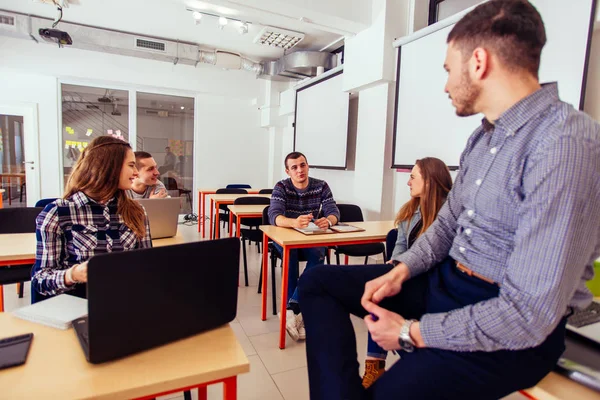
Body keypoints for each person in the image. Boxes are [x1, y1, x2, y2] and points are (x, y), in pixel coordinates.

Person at [298, 1, 600, 399]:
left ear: (478, 62)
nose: (445, 85)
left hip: (511, 330)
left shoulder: (565, 144)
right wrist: (402, 268)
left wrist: (409, 332)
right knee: (318, 282)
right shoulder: (483, 137)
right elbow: (447, 223)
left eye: (447, 70)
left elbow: (528, 314)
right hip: (448, 282)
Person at [362, 157, 452, 388]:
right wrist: (395, 264)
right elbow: (400, 244)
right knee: (382, 293)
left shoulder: (449, 214)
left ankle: (392, 362)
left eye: (412, 177)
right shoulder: (410, 210)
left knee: (386, 298)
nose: (408, 183)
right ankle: (375, 366)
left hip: (435, 281)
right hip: (409, 275)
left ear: (429, 182)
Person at [31, 136, 152, 301]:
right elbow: (40, 280)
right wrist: (72, 275)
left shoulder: (137, 211)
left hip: (125, 302)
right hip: (78, 305)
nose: (136, 172)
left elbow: (147, 267)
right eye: (131, 165)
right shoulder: (57, 213)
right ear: (109, 167)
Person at [268, 151, 340, 341]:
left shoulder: (321, 186)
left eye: (302, 165)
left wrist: (329, 221)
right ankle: (298, 310)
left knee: (319, 253)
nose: (300, 170)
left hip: (310, 237)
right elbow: (274, 215)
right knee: (289, 255)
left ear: (307, 166)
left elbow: (333, 211)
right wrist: (293, 222)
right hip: (285, 236)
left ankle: (292, 308)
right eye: (294, 167)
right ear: (287, 171)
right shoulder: (281, 187)